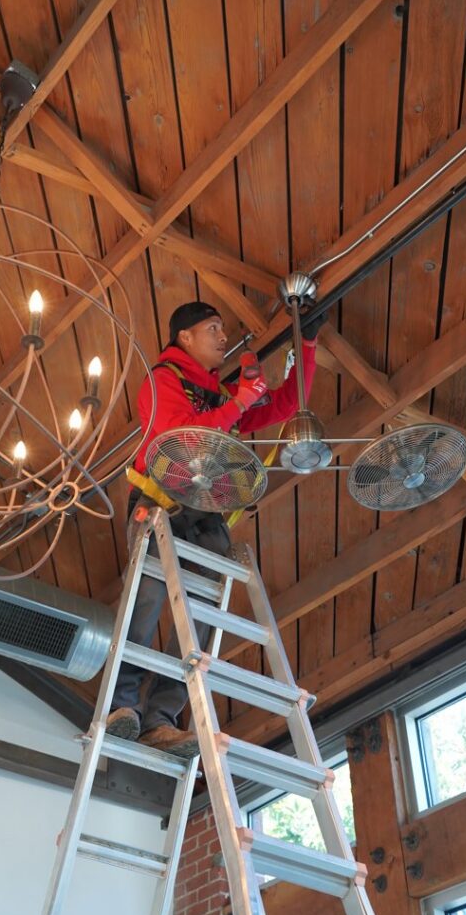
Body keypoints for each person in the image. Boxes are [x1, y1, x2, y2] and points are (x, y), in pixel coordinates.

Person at [106, 301, 324, 756]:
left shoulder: (220, 395)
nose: (223, 337)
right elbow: (178, 436)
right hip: (160, 503)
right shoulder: (163, 380)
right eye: (213, 328)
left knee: (201, 619)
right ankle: (120, 708)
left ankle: (160, 720)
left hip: (205, 514)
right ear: (184, 337)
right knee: (147, 602)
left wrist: (307, 345)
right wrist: (241, 401)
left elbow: (286, 404)